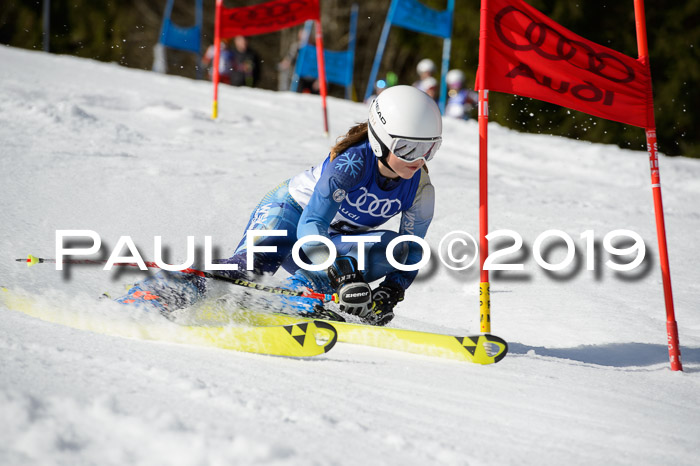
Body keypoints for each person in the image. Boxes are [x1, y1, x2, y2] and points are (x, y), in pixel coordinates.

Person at [116, 86, 442, 327]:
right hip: (290, 215)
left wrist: (390, 293)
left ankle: (296, 295)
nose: (419, 160)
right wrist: (341, 273)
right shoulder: (350, 167)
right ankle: (159, 290)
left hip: (332, 239)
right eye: (408, 149)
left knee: (393, 248)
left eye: (429, 149)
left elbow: (411, 251)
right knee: (249, 268)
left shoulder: (421, 191)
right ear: (379, 141)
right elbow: (311, 226)